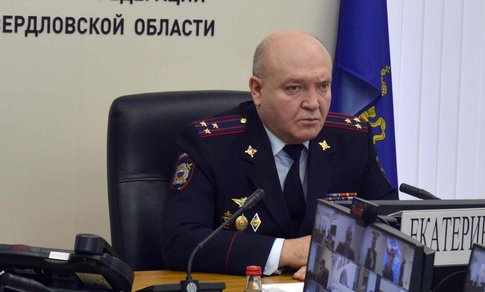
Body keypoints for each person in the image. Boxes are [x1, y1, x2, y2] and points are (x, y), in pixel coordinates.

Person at [161, 29, 395, 276]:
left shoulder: (353, 139)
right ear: (257, 90)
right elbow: (180, 240)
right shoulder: (210, 144)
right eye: (294, 88)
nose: (313, 103)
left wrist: (339, 256)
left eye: (323, 86)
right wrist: (289, 252)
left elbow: (393, 224)